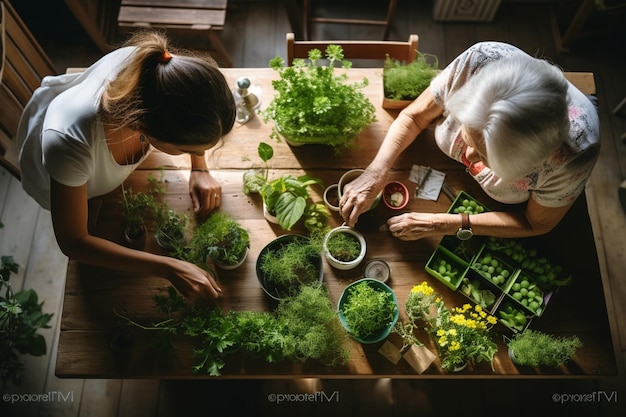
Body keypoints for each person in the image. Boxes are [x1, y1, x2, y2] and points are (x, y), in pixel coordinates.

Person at [16, 31, 236, 302]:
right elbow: (73, 242)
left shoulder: (158, 73)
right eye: (186, 150)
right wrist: (168, 267)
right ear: (143, 129)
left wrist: (199, 167)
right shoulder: (70, 144)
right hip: (66, 180)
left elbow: (192, 104)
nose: (194, 153)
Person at [339, 41, 600, 240]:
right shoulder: (480, 61)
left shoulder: (575, 155)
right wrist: (376, 171)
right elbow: (415, 117)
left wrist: (442, 223)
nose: (470, 157)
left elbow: (536, 223)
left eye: (486, 158)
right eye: (469, 137)